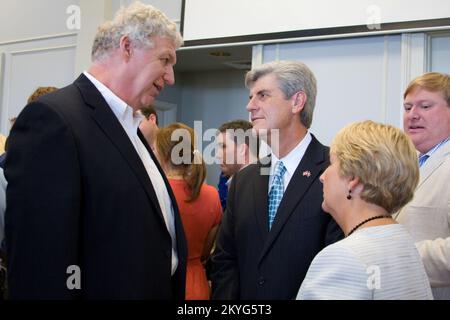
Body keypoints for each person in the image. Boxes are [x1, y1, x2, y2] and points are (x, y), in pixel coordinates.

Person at [4, 2, 187, 299]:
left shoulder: (130, 127)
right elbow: (39, 263)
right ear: (127, 47)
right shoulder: (53, 120)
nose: (170, 77)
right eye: (165, 60)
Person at [211, 60, 343, 299]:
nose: (250, 106)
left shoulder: (335, 170)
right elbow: (225, 259)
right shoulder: (244, 180)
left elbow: (338, 266)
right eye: (251, 97)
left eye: (262, 95)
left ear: (297, 101)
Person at [297, 120, 433, 300]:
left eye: (332, 164)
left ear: (353, 178)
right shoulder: (403, 243)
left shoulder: (343, 257)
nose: (322, 177)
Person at [395, 72, 450, 299]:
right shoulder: (406, 164)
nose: (413, 115)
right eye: (408, 108)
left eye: (425, 106)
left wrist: (394, 258)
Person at [155, 123, 222, 300]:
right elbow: (206, 251)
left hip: (163, 283)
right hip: (197, 285)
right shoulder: (212, 195)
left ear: (162, 154)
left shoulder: (155, 192)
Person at [216, 119, 258, 210]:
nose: (218, 155)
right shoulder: (225, 178)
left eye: (223, 146)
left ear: (242, 149)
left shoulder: (263, 187)